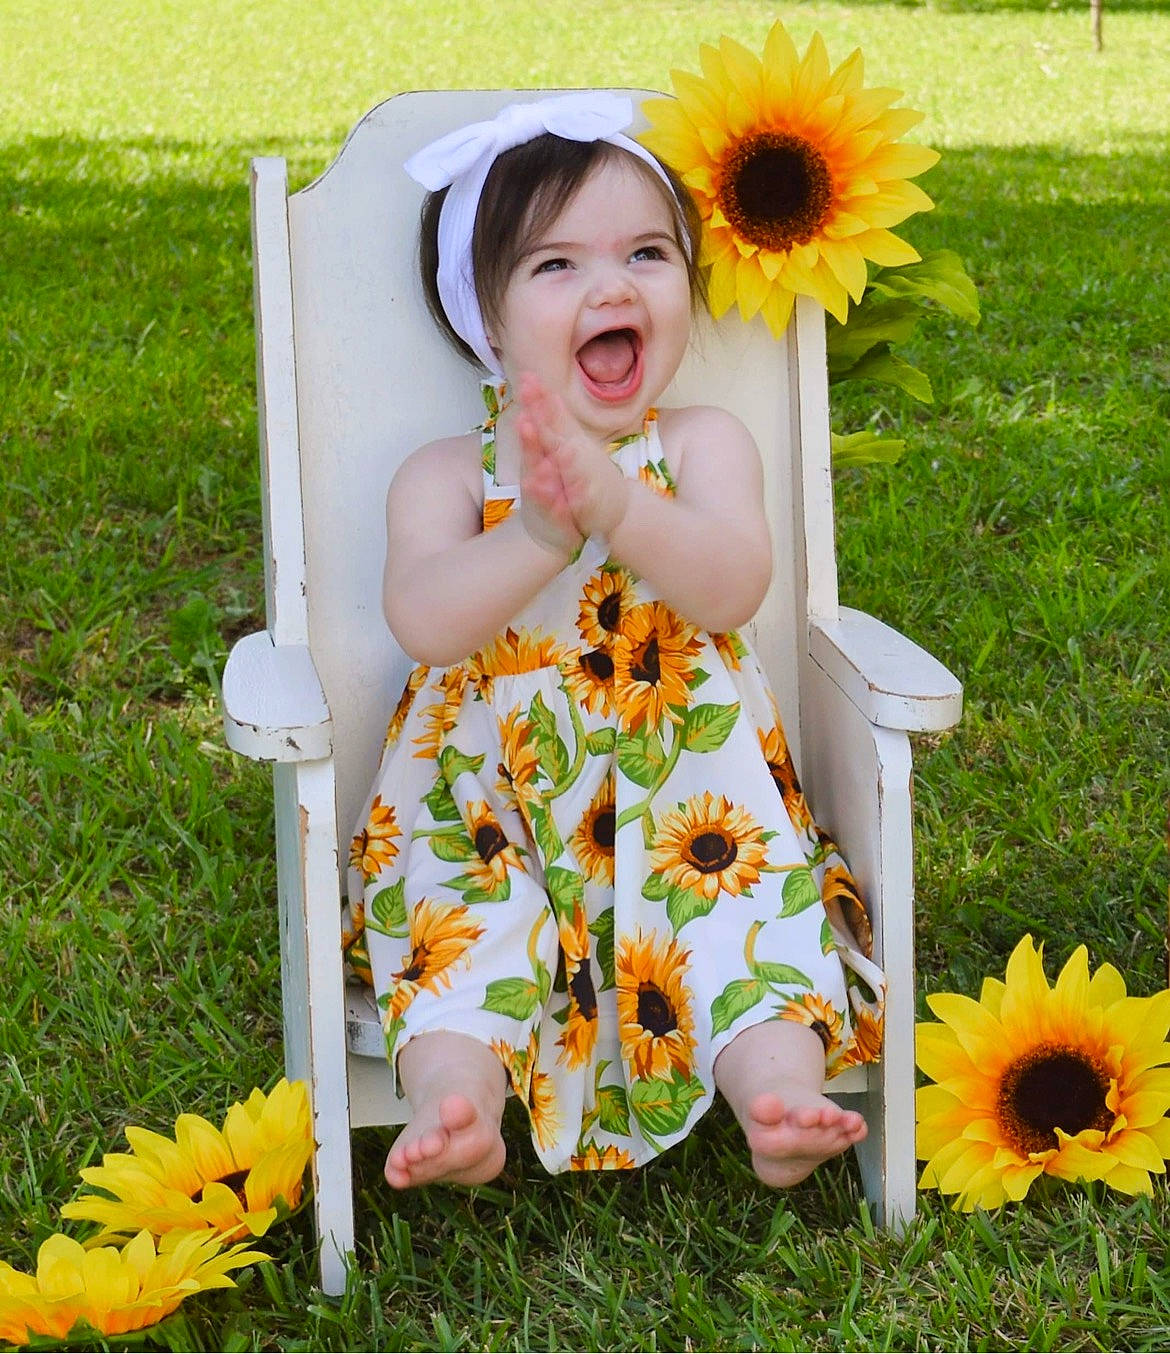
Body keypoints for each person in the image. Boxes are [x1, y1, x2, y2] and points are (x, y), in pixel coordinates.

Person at [345, 93, 885, 1193]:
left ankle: (776, 1095)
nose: (612, 286)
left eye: (648, 252)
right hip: (484, 805)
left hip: (688, 793)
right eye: (556, 266)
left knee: (744, 923)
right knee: (464, 939)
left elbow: (733, 586)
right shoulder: (448, 475)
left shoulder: (700, 445)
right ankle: (462, 1108)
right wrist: (544, 530)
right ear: (485, 320)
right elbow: (426, 617)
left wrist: (623, 508)